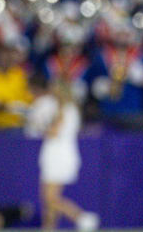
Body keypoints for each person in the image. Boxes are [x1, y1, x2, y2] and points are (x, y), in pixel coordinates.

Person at [29, 76, 99, 231]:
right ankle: (48, 227)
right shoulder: (58, 108)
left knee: (50, 198)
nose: (52, 92)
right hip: (53, 155)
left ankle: (81, 217)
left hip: (60, 157)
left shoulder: (68, 110)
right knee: (47, 198)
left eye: (55, 90)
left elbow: (53, 132)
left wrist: (39, 125)